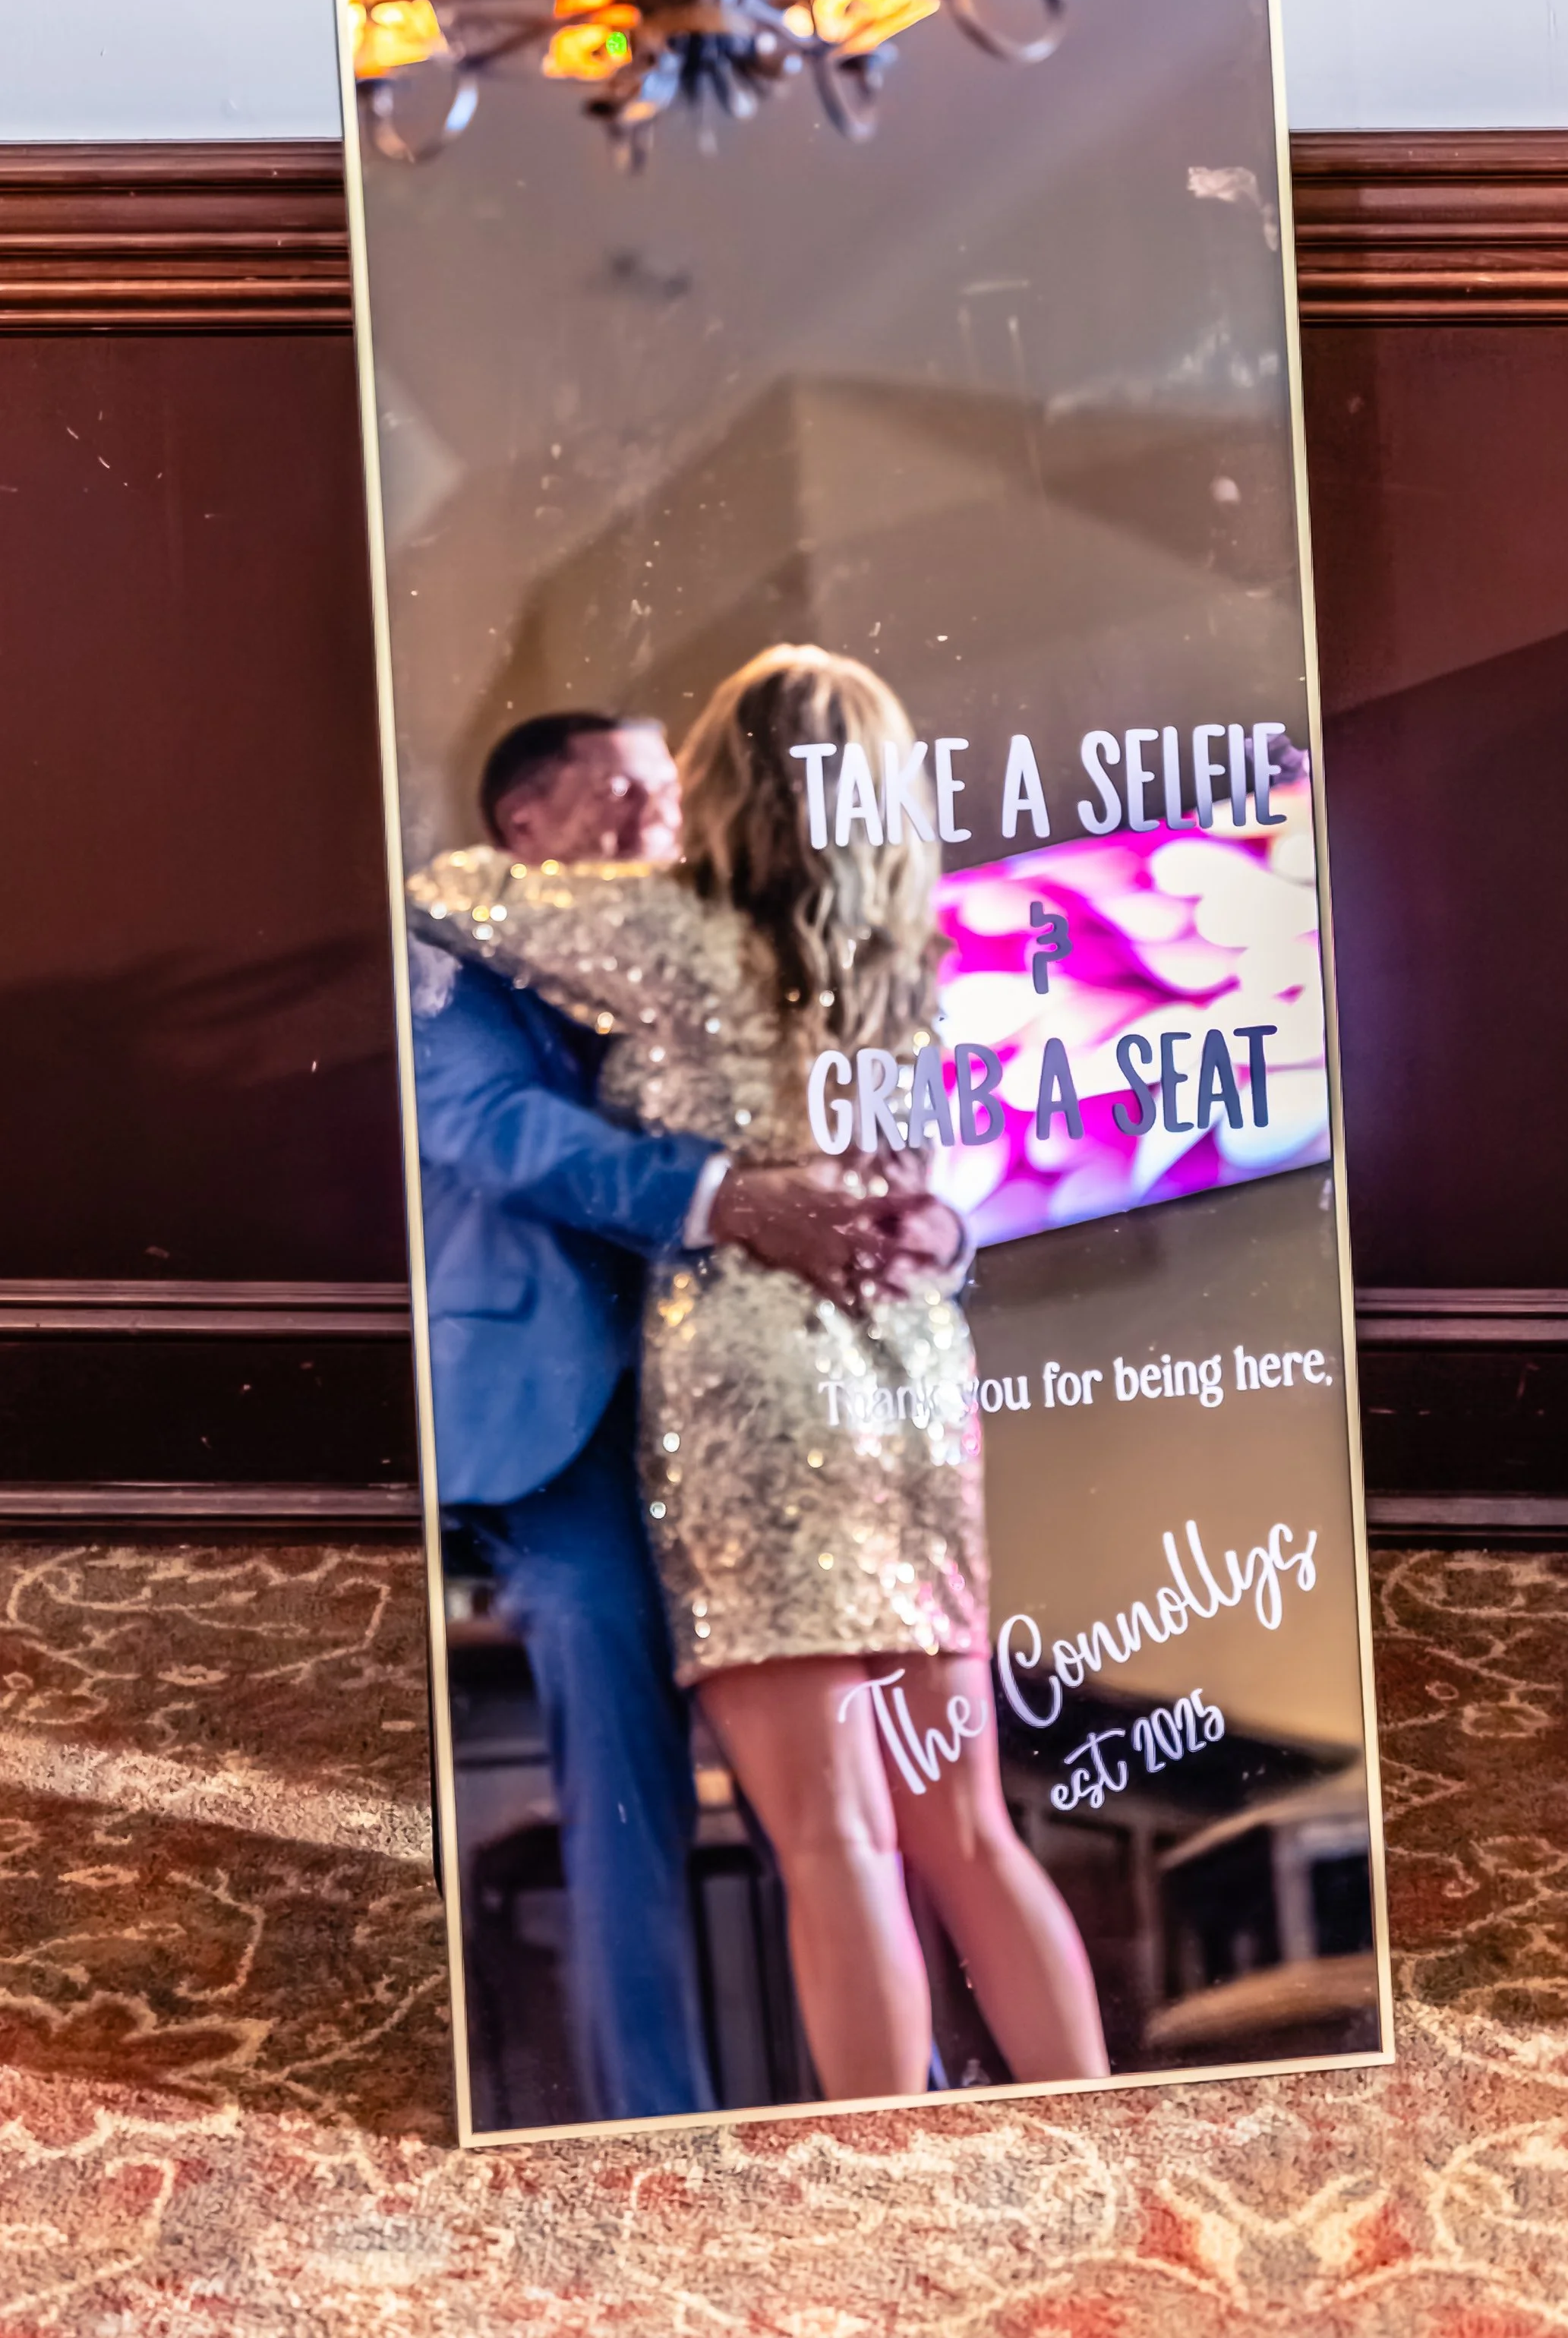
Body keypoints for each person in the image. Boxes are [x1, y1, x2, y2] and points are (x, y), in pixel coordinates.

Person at [413, 652, 1109, 2103]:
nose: (660, 813)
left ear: (727, 784)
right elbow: (942, 1160)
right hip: (913, 1375)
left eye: (682, 784)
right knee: (969, 1831)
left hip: (754, 1384)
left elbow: (436, 891)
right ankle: (1102, 2132)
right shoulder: (908, 959)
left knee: (837, 1837)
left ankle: (886, 2179)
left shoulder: (673, 934)